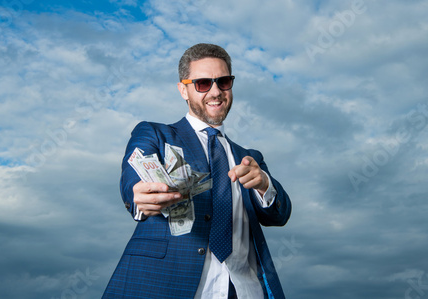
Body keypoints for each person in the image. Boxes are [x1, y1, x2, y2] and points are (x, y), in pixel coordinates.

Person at [103, 43, 292, 299]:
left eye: (223, 81)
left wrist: (264, 185)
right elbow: (132, 178)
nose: (215, 92)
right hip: (170, 285)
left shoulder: (250, 158)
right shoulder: (155, 134)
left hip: (244, 289)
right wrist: (139, 194)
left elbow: (279, 215)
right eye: (203, 83)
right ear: (183, 89)